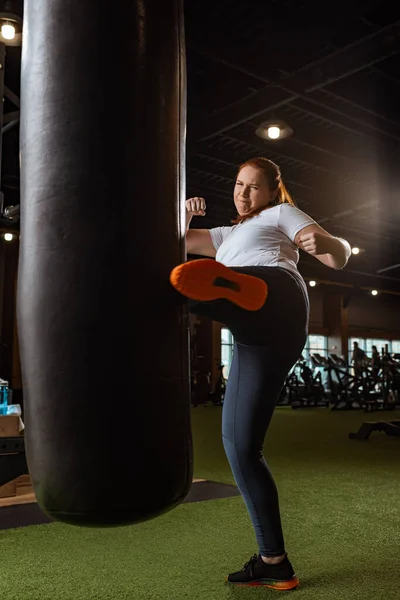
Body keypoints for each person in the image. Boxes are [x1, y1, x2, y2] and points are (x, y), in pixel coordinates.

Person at [170, 157, 351, 590]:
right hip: (258, 340)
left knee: (209, 285)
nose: (244, 193)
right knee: (240, 446)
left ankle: (234, 290)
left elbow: (341, 257)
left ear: (272, 192)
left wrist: (322, 240)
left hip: (281, 297)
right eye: (238, 184)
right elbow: (170, 241)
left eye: (254, 187)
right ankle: (274, 561)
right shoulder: (223, 235)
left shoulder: (279, 215)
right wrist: (184, 214)